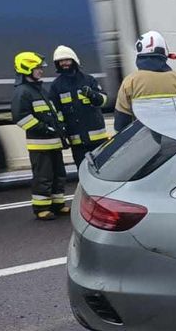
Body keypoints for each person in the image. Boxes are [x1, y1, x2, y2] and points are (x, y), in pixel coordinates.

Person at [12, 52, 68, 220]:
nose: (41, 71)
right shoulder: (22, 92)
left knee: (59, 173)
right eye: (37, 68)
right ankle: (41, 208)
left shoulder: (39, 89)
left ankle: (58, 204)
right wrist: (44, 129)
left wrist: (60, 126)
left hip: (53, 142)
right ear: (26, 69)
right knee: (43, 176)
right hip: (40, 144)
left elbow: (53, 112)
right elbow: (20, 118)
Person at [114, 31, 176, 132]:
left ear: (139, 56)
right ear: (164, 55)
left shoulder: (130, 82)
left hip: (145, 143)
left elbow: (121, 123)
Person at [49, 45, 109, 167]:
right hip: (77, 142)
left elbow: (103, 100)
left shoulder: (89, 80)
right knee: (83, 172)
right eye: (60, 61)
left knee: (105, 170)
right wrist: (62, 130)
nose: (64, 63)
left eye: (67, 60)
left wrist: (92, 94)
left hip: (98, 139)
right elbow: (56, 112)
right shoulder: (56, 86)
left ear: (74, 60)